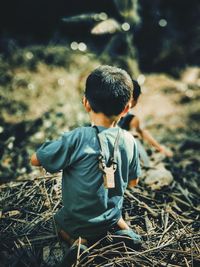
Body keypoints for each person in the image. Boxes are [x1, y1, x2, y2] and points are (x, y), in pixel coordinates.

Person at [31, 65, 142, 265]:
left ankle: (78, 243)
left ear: (86, 103)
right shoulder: (130, 140)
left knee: (57, 221)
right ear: (127, 109)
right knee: (114, 211)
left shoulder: (78, 138)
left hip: (78, 221)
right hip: (110, 217)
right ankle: (125, 233)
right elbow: (134, 182)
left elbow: (36, 160)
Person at [118, 79, 173, 163]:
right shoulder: (130, 117)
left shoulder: (125, 115)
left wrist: (159, 148)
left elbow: (141, 131)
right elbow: (140, 131)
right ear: (132, 99)